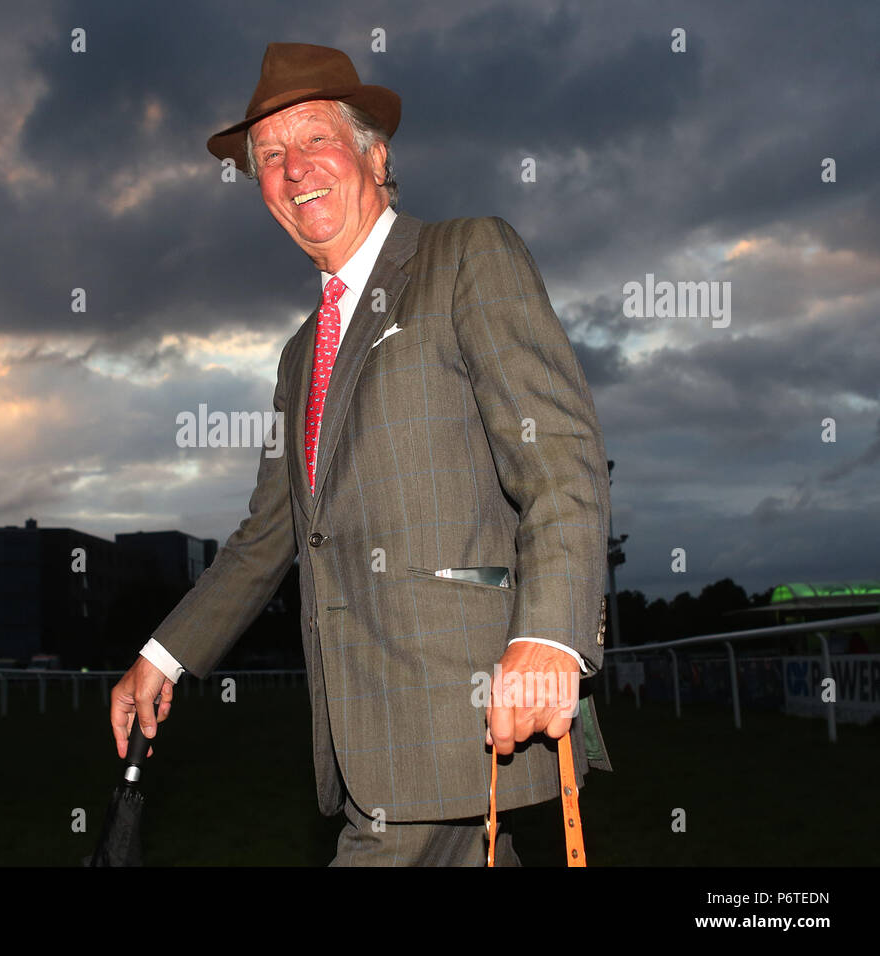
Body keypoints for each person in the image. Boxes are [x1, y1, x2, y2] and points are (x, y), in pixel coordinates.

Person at [109, 42, 612, 865]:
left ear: (375, 155)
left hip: (470, 703)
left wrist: (550, 637)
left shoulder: (466, 255)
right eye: (268, 156)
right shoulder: (300, 353)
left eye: (313, 138)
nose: (292, 167)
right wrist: (161, 656)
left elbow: (559, 453)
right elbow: (269, 536)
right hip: (363, 732)